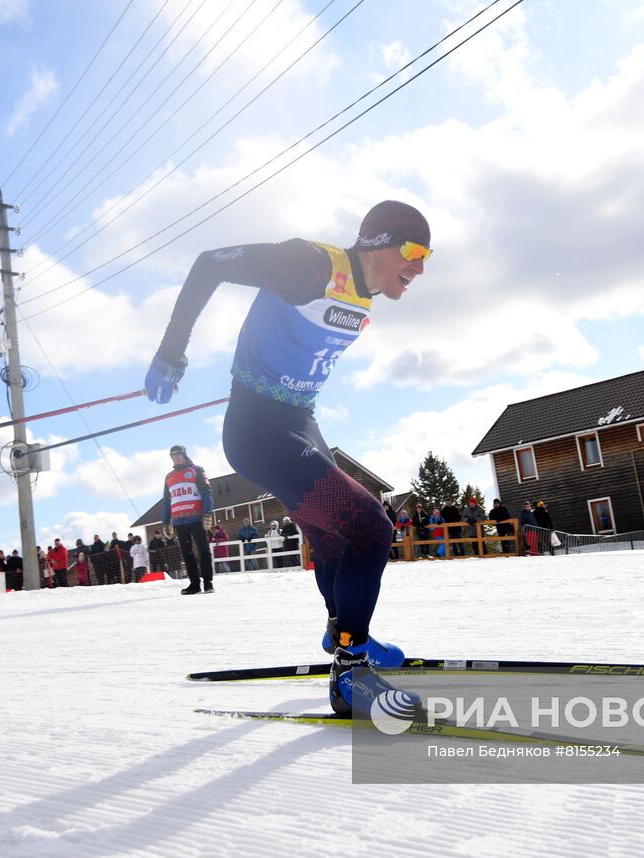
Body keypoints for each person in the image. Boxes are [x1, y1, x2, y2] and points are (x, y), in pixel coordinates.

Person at [144, 199, 431, 715]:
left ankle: (342, 633)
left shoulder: (363, 293)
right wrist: (171, 349)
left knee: (334, 535)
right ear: (376, 244)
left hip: (299, 422)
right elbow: (211, 262)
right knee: (372, 527)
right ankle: (351, 670)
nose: (420, 268)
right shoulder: (311, 264)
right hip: (258, 429)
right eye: (413, 251)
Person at [162, 444, 215, 595]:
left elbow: (207, 493)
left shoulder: (197, 470)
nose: (176, 457)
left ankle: (208, 583)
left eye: (178, 454)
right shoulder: (168, 477)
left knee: (203, 551)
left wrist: (207, 513)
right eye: (173, 455)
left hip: (197, 517)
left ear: (184, 454)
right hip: (179, 520)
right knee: (187, 554)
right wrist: (165, 522)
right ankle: (194, 584)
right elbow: (166, 501)